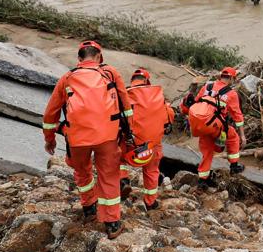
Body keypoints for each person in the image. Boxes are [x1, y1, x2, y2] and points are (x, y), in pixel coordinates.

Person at [42, 41, 132, 239]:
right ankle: (112, 223)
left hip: (77, 138)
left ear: (79, 59)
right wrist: (129, 133)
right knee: (109, 175)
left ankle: (90, 208)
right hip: (107, 136)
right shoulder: (110, 73)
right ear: (99, 57)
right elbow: (126, 106)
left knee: (82, 172)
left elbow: (51, 114)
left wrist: (50, 139)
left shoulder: (67, 78)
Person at [120, 68, 174, 211]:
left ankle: (123, 179)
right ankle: (150, 202)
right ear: (147, 81)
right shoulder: (158, 97)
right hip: (152, 145)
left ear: (133, 80)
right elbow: (169, 117)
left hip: (131, 144)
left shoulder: (125, 94)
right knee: (152, 171)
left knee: (117, 158)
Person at [181, 67, 245, 184]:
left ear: (221, 76)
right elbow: (237, 116)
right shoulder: (231, 93)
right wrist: (242, 135)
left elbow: (197, 103)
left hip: (203, 125)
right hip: (217, 127)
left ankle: (202, 179)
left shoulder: (207, 87)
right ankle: (234, 165)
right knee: (233, 137)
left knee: (207, 151)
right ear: (231, 78)